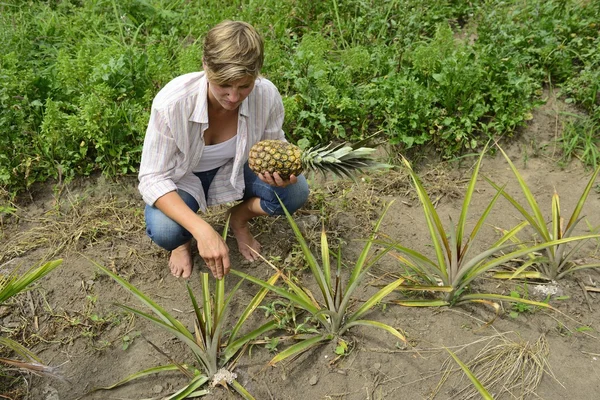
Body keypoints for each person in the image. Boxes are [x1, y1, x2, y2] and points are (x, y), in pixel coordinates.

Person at [138, 20, 309, 280]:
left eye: (244, 86)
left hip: (237, 169)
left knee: (295, 192)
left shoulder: (267, 95)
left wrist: (277, 172)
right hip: (183, 179)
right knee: (166, 231)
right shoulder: (172, 104)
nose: (233, 97)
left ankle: (238, 219)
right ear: (206, 66)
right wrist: (202, 230)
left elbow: (273, 144)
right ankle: (182, 242)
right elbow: (152, 178)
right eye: (223, 86)